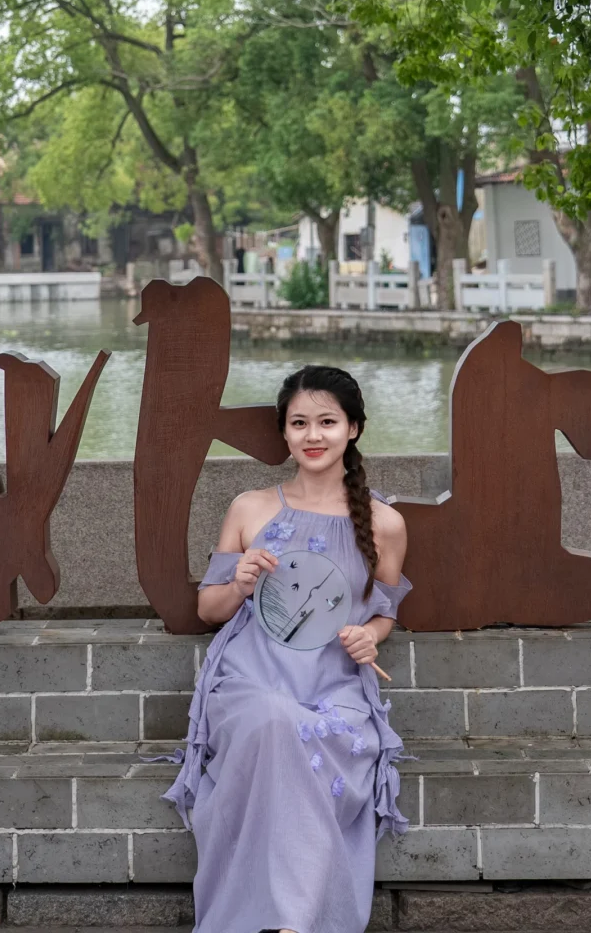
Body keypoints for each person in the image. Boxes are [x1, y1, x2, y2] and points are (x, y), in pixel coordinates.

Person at [163, 364, 411, 933]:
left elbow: (384, 613)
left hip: (334, 688)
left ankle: (281, 921)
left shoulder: (385, 524)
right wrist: (240, 582)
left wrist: (368, 636)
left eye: (327, 422)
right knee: (274, 722)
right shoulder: (250, 508)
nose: (312, 435)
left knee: (299, 735)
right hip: (251, 680)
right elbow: (210, 610)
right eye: (299, 423)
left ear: (353, 428)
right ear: (284, 432)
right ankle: (291, 924)